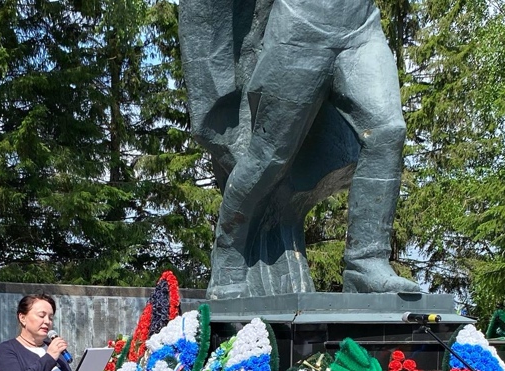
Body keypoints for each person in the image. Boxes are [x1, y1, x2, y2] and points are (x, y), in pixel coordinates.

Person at [179, 0, 421, 298]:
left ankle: (366, 262)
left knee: (387, 131)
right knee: (269, 157)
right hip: (300, 27)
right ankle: (229, 254)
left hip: (362, 25)